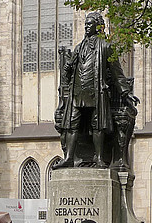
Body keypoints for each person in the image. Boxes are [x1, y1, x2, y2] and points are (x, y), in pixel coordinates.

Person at [56, 11, 138, 168]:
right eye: (85, 24)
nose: (86, 27)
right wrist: (66, 73)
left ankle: (99, 158)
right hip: (77, 94)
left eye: (90, 24)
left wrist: (126, 93)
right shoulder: (79, 48)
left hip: (96, 93)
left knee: (97, 125)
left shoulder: (106, 47)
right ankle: (69, 158)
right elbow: (69, 69)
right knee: (72, 124)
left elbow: (116, 73)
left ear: (98, 26)